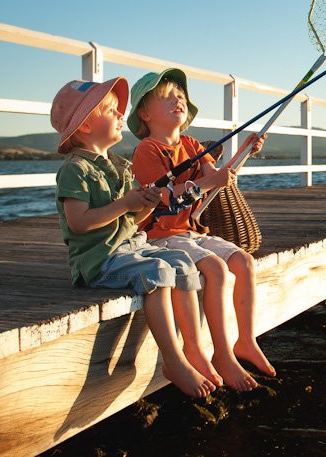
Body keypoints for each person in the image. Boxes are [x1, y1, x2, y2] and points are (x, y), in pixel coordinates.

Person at [50, 77, 219, 398]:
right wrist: (125, 203)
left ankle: (193, 349)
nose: (119, 116)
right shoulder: (75, 169)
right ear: (85, 126)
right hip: (99, 260)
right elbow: (79, 223)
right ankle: (173, 360)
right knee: (157, 272)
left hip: (129, 247)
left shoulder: (119, 166)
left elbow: (132, 220)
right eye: (111, 111)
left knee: (183, 263)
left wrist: (145, 205)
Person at [128, 69, 276, 392]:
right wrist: (210, 180)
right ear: (145, 113)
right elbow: (163, 197)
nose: (178, 99)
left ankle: (245, 341)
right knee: (217, 271)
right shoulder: (147, 151)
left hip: (190, 232)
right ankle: (221, 354)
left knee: (243, 262)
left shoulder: (192, 144)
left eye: (180, 96)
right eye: (167, 96)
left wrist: (244, 151)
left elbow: (217, 176)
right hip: (160, 237)